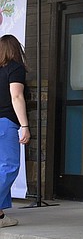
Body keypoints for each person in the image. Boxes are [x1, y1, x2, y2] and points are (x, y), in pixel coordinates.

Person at [0, 35, 31, 227]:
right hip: (5, 122)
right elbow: (16, 96)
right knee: (10, 167)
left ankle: (1, 215)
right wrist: (25, 125)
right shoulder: (15, 68)